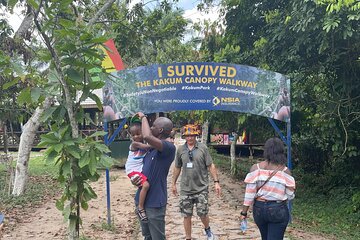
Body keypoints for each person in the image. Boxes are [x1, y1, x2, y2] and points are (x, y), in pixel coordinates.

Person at [172, 124, 221, 240]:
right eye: (187, 136)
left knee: (202, 213)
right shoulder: (180, 150)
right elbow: (177, 167)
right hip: (186, 188)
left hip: (201, 188)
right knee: (186, 215)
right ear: (184, 137)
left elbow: (210, 165)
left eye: (192, 136)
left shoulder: (203, 148)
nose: (190, 138)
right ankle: (188, 237)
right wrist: (173, 183)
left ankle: (208, 229)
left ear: (196, 136)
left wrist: (216, 182)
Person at [131, 112, 176, 240]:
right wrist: (136, 180)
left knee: (157, 237)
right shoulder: (151, 148)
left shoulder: (169, 148)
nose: (150, 128)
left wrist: (143, 117)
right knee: (147, 236)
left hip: (155, 203)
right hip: (141, 200)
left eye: (153, 126)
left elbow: (146, 135)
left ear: (160, 130)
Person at [240, 137, 295, 240]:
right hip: (277, 210)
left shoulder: (256, 168)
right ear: (281, 152)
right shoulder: (285, 171)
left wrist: (244, 212)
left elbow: (249, 194)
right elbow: (290, 195)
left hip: (259, 210)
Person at [125, 115, 152, 222]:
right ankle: (140, 208)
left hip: (139, 168)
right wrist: (159, 143)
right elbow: (147, 147)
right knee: (146, 185)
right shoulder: (135, 144)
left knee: (144, 185)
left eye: (138, 134)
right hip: (132, 170)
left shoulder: (142, 142)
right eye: (133, 135)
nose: (136, 136)